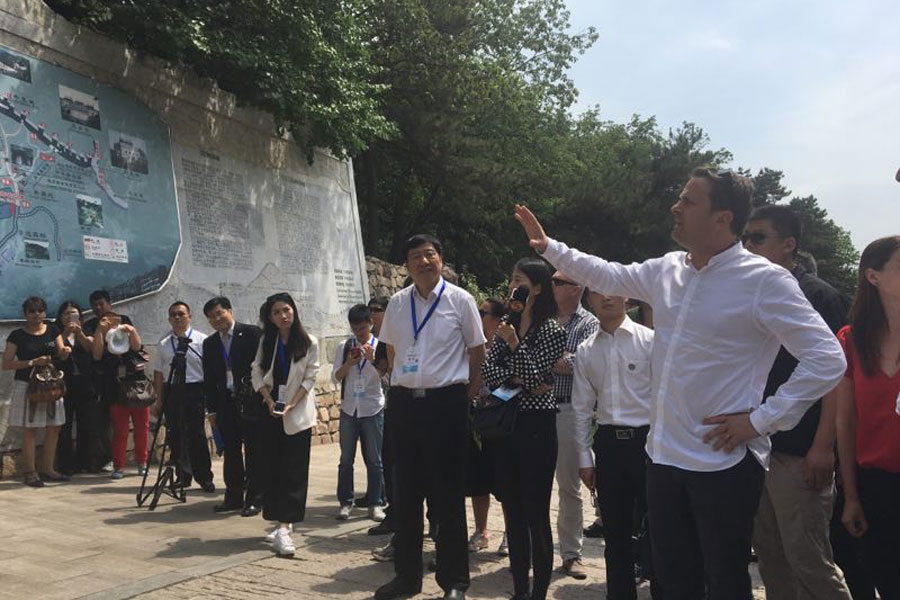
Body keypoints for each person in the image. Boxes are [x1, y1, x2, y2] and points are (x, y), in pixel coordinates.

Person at [514, 165, 847, 600]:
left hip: (723, 463)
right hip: (664, 456)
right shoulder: (666, 269)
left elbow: (827, 358)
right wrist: (549, 248)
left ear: (722, 218)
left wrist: (762, 420)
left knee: (724, 582)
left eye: (688, 200)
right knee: (671, 582)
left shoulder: (764, 281)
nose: (676, 207)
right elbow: (608, 274)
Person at [743, 205, 853, 600]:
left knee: (809, 560)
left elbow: (837, 377)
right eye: (745, 239)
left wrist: (824, 446)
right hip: (758, 445)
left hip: (801, 449)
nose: (748, 247)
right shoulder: (752, 292)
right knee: (771, 558)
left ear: (789, 244)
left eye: (758, 238)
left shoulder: (820, 296)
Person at [375, 234, 486, 600]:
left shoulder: (460, 300)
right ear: (407, 265)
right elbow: (391, 349)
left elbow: (477, 349)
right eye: (415, 257)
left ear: (440, 259)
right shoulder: (396, 302)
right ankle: (406, 578)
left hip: (446, 405)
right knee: (405, 494)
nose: (423, 262)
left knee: (448, 495)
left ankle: (454, 581)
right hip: (405, 404)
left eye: (430, 255)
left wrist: (468, 391)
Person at [481, 258, 566, 600]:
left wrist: (515, 347)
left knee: (536, 514)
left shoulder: (552, 330)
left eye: (521, 279)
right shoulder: (505, 322)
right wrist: (521, 374)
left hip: (537, 426)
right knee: (513, 513)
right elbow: (489, 371)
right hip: (506, 425)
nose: (513, 284)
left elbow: (536, 378)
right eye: (512, 277)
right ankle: (519, 591)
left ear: (539, 287)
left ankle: (539, 592)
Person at [574, 291, 658, 600]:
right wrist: (585, 458)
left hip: (649, 443)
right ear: (590, 300)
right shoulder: (586, 349)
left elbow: (665, 398)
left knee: (659, 528)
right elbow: (582, 408)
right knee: (616, 532)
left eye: (614, 290)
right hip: (609, 444)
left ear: (628, 298)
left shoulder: (650, 341)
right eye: (597, 292)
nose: (606, 297)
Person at [835, 236, 900, 598]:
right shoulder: (851, 340)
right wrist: (852, 496)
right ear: (872, 277)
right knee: (887, 580)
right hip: (875, 484)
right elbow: (845, 423)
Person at [251, 292, 320, 558]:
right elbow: (256, 370)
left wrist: (292, 403)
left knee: (293, 470)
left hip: (297, 413)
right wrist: (268, 400)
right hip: (271, 412)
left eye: (287, 310)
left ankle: (284, 528)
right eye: (277, 312)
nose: (283, 315)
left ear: (294, 311)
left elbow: (311, 376)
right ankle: (279, 521)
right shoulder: (266, 341)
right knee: (272, 469)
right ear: (270, 317)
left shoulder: (308, 341)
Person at [549, 269, 598, 579]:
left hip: (567, 412)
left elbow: (580, 363)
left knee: (569, 486)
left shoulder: (589, 323)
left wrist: (548, 360)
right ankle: (532, 549)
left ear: (575, 287)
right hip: (536, 410)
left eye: (557, 282)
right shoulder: (541, 318)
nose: (551, 286)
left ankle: (571, 554)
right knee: (531, 485)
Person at [202, 296, 264, 516]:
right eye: (211, 317)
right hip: (225, 402)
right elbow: (209, 379)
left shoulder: (251, 334)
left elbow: (263, 367)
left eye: (219, 313)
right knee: (231, 451)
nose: (217, 319)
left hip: (250, 401)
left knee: (254, 450)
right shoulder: (209, 344)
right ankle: (234, 497)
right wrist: (211, 410)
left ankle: (256, 498)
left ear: (229, 311)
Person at [2, 296, 71, 486]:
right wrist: (32, 362)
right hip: (27, 384)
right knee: (30, 429)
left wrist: (64, 351)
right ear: (25, 314)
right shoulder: (17, 335)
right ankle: (30, 472)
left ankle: (48, 469)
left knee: (54, 426)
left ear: (44, 312)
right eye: (32, 311)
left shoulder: (52, 330)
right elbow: (6, 363)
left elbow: (57, 352)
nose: (36, 315)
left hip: (51, 383)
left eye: (39, 311)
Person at [332, 303, 388, 521]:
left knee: (374, 459)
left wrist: (372, 359)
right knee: (346, 458)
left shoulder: (381, 345)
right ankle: (345, 502)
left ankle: (376, 502)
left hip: (373, 407)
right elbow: (335, 377)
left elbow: (387, 376)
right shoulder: (344, 346)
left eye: (362, 328)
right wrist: (349, 363)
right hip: (349, 408)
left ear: (371, 324)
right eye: (355, 329)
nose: (359, 333)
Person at [152, 301, 214, 492]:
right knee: (175, 434)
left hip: (195, 390)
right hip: (172, 390)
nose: (177, 318)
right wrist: (159, 399)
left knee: (196, 434)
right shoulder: (164, 344)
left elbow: (210, 370)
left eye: (181, 314)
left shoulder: (202, 340)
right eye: (173, 315)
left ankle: (204, 477)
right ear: (169, 319)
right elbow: (159, 374)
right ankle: (182, 475)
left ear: (189, 316)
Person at [466, 297, 508, 555]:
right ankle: (481, 531)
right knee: (476, 480)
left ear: (496, 319)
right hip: (473, 419)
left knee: (504, 481)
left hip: (498, 420)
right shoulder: (469, 344)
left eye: (483, 312)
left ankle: (510, 533)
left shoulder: (506, 346)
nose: (478, 317)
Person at [90, 309, 144, 479]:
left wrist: (131, 330)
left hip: (137, 389)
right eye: (108, 321)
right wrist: (100, 330)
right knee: (120, 430)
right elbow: (96, 355)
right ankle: (119, 465)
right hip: (116, 390)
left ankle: (142, 462)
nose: (113, 324)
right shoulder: (104, 341)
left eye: (115, 321)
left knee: (142, 428)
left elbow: (138, 347)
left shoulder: (127, 336)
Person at [82, 289, 126, 471]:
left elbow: (131, 346)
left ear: (110, 303)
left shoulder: (123, 321)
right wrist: (100, 329)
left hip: (122, 379)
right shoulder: (91, 325)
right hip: (99, 379)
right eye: (94, 305)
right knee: (101, 423)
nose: (98, 308)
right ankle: (106, 457)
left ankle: (120, 459)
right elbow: (96, 354)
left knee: (122, 423)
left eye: (101, 304)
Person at [54, 301, 99, 475]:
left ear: (80, 315)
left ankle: (85, 462)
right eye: (66, 313)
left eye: (73, 313)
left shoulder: (86, 330)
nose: (69, 316)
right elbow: (54, 350)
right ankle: (65, 464)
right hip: (64, 385)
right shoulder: (55, 332)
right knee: (64, 426)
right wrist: (65, 332)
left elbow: (91, 349)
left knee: (86, 425)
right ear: (60, 316)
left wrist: (78, 332)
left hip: (85, 384)